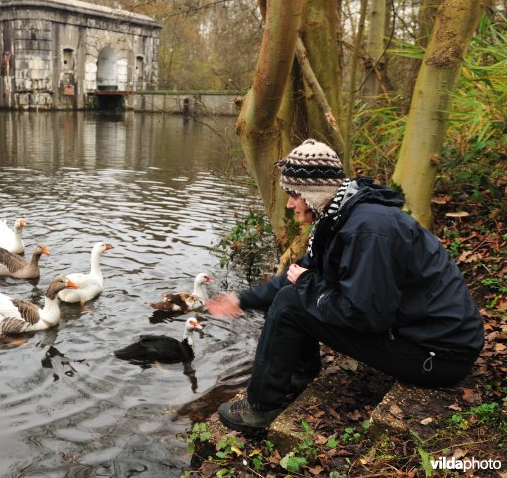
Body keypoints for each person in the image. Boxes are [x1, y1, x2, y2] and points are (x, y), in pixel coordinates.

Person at [207, 139, 484, 433]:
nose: (289, 204)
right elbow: (301, 271)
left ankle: (260, 408)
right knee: (295, 294)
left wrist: (307, 285)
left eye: (293, 195)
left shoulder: (367, 231)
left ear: (314, 193)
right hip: (424, 337)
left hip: (438, 356)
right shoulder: (343, 217)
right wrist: (242, 300)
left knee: (291, 303)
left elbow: (366, 316)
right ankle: (296, 376)